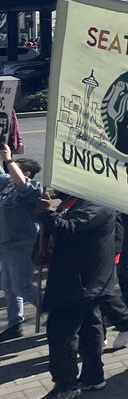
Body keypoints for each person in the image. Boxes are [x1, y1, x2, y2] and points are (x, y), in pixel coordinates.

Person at [31, 192, 120, 399]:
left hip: (79, 284)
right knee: (89, 329)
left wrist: (46, 213)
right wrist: (41, 250)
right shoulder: (74, 203)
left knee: (61, 333)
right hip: (74, 281)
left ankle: (66, 385)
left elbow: (69, 228)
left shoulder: (98, 204)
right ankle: (92, 377)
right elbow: (59, 233)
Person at [0, 143, 42, 340]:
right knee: (8, 287)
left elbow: (21, 184)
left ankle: (56, 309)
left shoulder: (32, 189)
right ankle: (15, 323)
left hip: (22, 244)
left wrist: (8, 159)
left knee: (21, 287)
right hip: (6, 244)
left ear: (26, 172)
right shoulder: (5, 184)